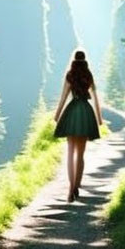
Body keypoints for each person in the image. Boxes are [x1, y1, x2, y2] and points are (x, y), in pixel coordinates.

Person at [52, 49, 103, 202]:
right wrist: (99, 118)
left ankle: (70, 188)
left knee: (70, 153)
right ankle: (76, 187)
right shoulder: (88, 75)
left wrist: (57, 116)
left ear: (74, 59)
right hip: (86, 113)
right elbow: (95, 98)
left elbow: (63, 98)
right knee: (80, 155)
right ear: (85, 59)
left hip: (72, 113)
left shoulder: (70, 75)